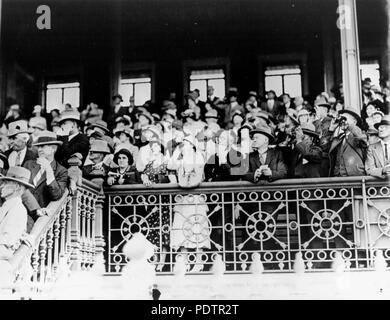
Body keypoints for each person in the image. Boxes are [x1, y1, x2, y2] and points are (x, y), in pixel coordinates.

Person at [23, 131, 68, 214]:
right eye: (38, 147)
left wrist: (49, 171)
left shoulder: (61, 171)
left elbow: (56, 195)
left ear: (53, 148)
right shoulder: (28, 164)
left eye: (42, 146)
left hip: (40, 216)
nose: (39, 149)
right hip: (22, 210)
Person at [0, 167, 34, 259]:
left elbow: (6, 246)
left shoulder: (18, 210)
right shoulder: (7, 206)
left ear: (17, 187)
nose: (1, 186)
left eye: (6, 183)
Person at [328, 107, 368, 177]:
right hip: (338, 177)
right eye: (342, 118)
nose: (342, 121)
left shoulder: (359, 135)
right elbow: (325, 147)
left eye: (345, 118)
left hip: (355, 177)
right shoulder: (339, 138)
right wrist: (331, 130)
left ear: (354, 122)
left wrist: (351, 126)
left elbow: (363, 142)